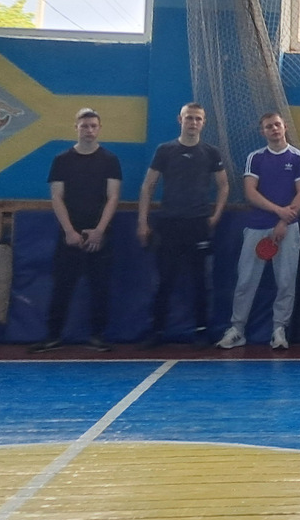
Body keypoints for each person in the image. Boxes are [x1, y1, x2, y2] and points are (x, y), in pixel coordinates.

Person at [136, 102, 227, 348]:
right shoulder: (165, 150)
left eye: (198, 119)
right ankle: (157, 331)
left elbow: (224, 185)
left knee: (200, 280)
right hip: (169, 224)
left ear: (203, 122)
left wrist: (216, 216)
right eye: (189, 118)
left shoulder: (211, 152)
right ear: (180, 119)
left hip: (198, 224)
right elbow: (148, 186)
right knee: (165, 280)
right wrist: (142, 222)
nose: (193, 122)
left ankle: (201, 331)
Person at [30, 108, 121, 353]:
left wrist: (100, 230)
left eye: (93, 126)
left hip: (100, 234)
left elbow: (113, 197)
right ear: (76, 128)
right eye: (84, 126)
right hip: (69, 233)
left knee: (99, 286)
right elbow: (57, 197)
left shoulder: (110, 160)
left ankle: (97, 336)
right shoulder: (62, 160)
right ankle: (53, 335)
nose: (89, 130)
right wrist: (69, 231)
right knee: (62, 285)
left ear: (99, 129)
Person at [219, 112, 300, 350]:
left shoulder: (299, 157)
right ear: (263, 132)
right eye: (269, 127)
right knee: (245, 281)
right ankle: (237, 330)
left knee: (286, 281)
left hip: (288, 228)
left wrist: (283, 221)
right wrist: (279, 211)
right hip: (256, 226)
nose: (274, 129)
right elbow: (250, 193)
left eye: (277, 125)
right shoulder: (255, 158)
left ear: (284, 127)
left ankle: (279, 330)